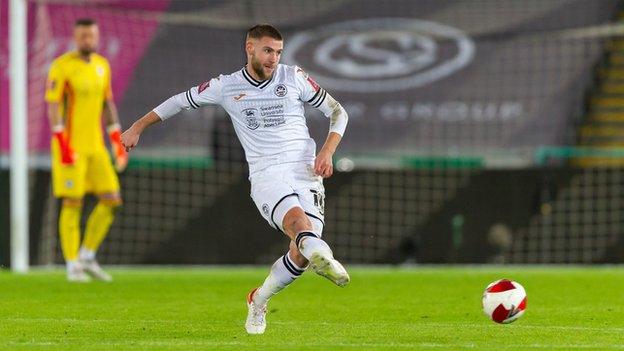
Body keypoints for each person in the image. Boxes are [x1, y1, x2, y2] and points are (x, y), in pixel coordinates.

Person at [121, 23, 350, 334]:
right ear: (250, 48)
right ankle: (323, 253)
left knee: (302, 253)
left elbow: (338, 113)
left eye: (278, 52)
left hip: (306, 171)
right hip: (268, 173)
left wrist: (327, 151)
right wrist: (137, 127)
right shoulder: (226, 86)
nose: (273, 58)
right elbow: (177, 101)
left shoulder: (292, 77)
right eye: (268, 50)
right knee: (301, 227)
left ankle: (258, 299)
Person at [45, 18, 128, 282]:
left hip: (96, 147)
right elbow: (53, 106)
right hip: (70, 147)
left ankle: (87, 255)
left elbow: (108, 104)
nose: (87, 40)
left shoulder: (102, 66)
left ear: (97, 36)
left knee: (112, 199)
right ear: (75, 37)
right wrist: (61, 142)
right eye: (83, 36)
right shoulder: (62, 67)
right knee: (72, 202)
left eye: (91, 36)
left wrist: (117, 142)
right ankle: (72, 265)